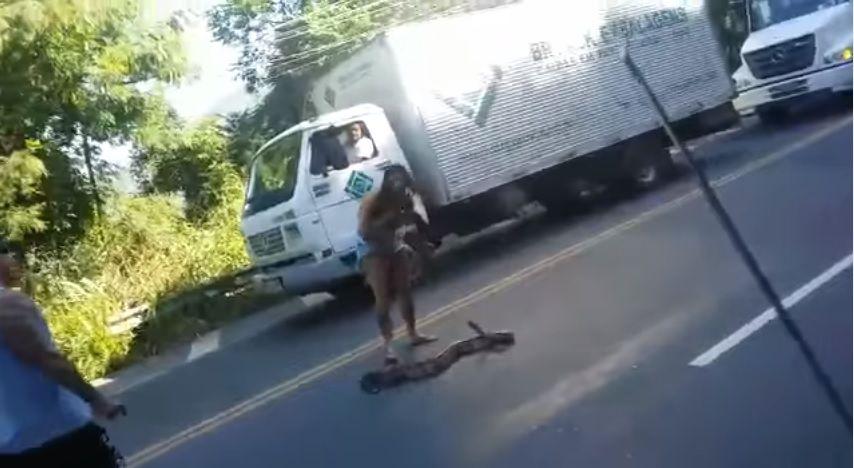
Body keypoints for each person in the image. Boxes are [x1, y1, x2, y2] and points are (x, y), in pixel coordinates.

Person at [0, 249, 127, 467]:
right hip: (60, 434)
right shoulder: (7, 305)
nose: (12, 260)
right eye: (5, 253)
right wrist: (97, 400)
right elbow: (48, 361)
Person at [357, 165, 436, 364]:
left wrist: (419, 248)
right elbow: (364, 232)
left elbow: (410, 226)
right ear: (387, 183)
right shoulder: (373, 201)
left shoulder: (405, 200)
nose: (398, 184)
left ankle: (413, 333)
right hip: (374, 255)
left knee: (405, 293)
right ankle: (388, 344)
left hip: (396, 249)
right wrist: (387, 219)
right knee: (383, 299)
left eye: (401, 180)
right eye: (393, 180)